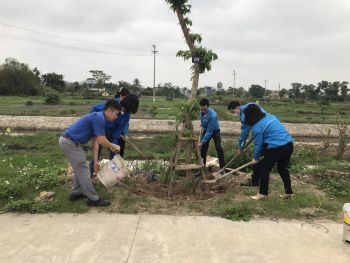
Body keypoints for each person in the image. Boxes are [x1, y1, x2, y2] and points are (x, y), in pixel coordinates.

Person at [59, 99, 121, 207]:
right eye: (116, 114)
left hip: (71, 142)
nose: (116, 117)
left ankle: (76, 193)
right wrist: (113, 146)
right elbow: (102, 139)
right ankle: (93, 199)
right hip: (70, 142)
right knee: (84, 170)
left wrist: (96, 161)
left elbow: (96, 141)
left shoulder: (99, 117)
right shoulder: (99, 118)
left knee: (80, 168)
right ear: (109, 111)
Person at [242, 104, 294, 200]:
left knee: (263, 169)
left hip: (277, 147)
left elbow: (258, 145)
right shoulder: (271, 117)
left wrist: (256, 159)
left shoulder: (257, 127)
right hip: (289, 144)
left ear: (251, 115)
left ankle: (263, 194)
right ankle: (289, 193)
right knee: (283, 169)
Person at [89, 94, 139, 176]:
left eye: (127, 110)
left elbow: (120, 128)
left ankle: (113, 177)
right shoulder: (113, 105)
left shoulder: (127, 114)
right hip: (100, 131)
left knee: (114, 155)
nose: (124, 111)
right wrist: (96, 126)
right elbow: (96, 108)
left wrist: (114, 143)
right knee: (96, 155)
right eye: (124, 109)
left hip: (111, 133)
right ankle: (89, 176)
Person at [227, 101, 267, 187]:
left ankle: (255, 180)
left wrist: (241, 148)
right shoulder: (249, 105)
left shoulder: (245, 115)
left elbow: (244, 134)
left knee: (257, 155)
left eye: (233, 111)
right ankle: (262, 177)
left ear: (238, 107)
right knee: (263, 155)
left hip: (262, 132)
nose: (233, 114)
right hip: (266, 129)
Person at [198, 98, 225, 172]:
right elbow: (203, 121)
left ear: (208, 107)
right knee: (203, 149)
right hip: (206, 129)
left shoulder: (213, 115)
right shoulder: (200, 112)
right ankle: (202, 169)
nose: (203, 111)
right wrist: (202, 124)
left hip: (215, 131)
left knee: (219, 148)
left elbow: (210, 132)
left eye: (205, 110)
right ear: (200, 107)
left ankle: (222, 168)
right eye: (202, 109)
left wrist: (202, 142)